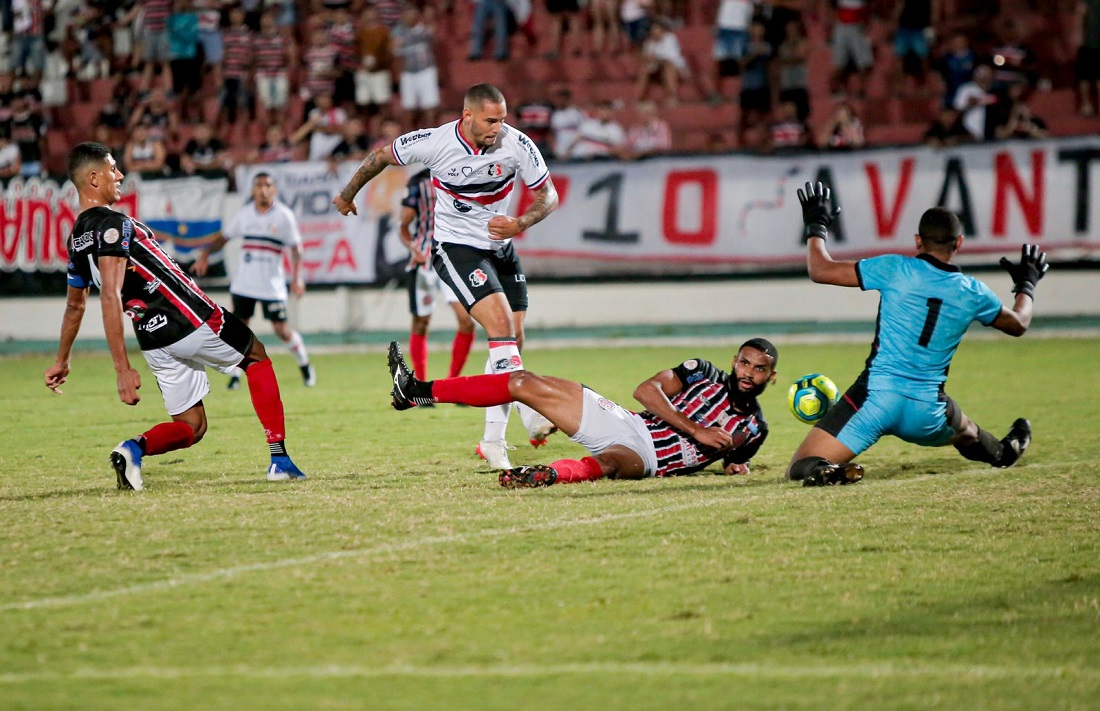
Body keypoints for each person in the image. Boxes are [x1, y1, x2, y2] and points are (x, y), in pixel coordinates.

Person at [44, 142, 306, 490]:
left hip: (153, 339)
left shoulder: (76, 239)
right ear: (93, 177)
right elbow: (110, 293)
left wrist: (62, 360)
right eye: (112, 169)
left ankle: (132, 450)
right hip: (187, 315)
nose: (120, 174)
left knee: (192, 426)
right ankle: (280, 460)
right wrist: (121, 369)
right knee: (256, 356)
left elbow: (75, 305)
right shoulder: (113, 225)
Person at [332, 83, 560, 470]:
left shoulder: (516, 144)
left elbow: (549, 195)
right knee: (502, 329)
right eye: (491, 120)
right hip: (457, 247)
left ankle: (492, 441)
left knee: (514, 339)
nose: (499, 128)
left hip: (501, 246)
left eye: (503, 119)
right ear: (467, 116)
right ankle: (525, 414)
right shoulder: (435, 142)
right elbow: (380, 157)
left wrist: (521, 222)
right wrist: (348, 193)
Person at [785, 182, 1047, 487]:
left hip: (876, 400)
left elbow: (820, 269)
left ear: (918, 240)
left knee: (801, 466)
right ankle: (1004, 453)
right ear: (959, 242)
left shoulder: (896, 268)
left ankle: (828, 470)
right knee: (967, 432)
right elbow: (1019, 324)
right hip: (926, 411)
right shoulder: (973, 291)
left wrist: (817, 224)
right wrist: (1026, 283)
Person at [386, 337, 778, 488]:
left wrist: (732, 463)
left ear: (770, 378)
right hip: (628, 422)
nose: (748, 373)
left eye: (759, 369)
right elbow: (646, 390)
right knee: (522, 382)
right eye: (744, 363)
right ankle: (415, 391)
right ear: (735, 360)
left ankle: (547, 474)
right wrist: (696, 430)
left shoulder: (754, 428)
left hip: (649, 459)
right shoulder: (703, 372)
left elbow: (736, 460)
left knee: (608, 464)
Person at [192, 171, 315, 389]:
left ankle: (305, 366)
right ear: (253, 190)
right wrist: (205, 255)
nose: (263, 189)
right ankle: (237, 377)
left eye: (267, 185)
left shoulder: (284, 216)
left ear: (273, 189)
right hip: (244, 284)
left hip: (271, 285)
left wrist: (297, 278)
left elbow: (297, 248)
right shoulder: (245, 214)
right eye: (259, 185)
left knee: (282, 330)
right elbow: (224, 237)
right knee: (239, 330)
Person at [399, 168, 477, 382]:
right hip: (424, 260)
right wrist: (414, 250)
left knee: (467, 321)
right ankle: (421, 386)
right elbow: (403, 226)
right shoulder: (418, 182)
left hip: (453, 259)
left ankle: (452, 382)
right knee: (421, 322)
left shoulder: (463, 174)